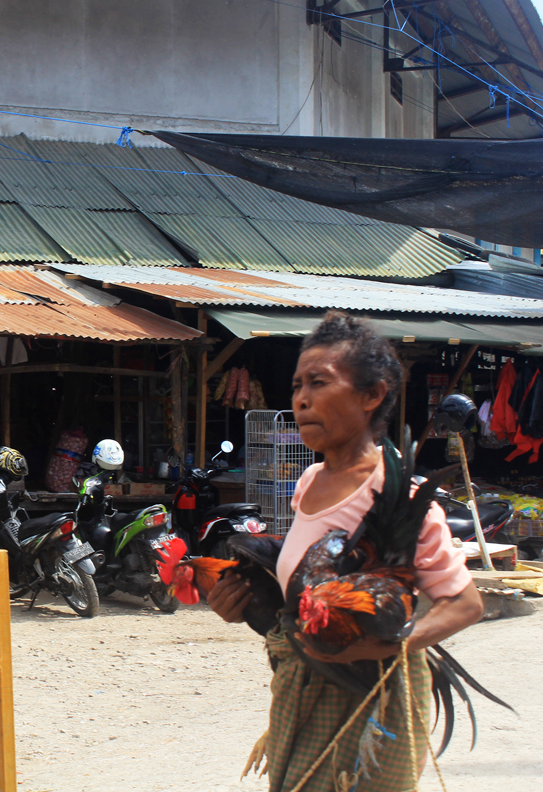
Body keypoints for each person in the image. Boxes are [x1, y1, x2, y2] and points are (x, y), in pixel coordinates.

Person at [207, 312, 483, 792]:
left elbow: (465, 603)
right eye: (296, 385)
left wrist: (387, 644)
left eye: (319, 382)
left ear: (371, 395)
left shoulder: (400, 497)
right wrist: (244, 605)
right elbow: (303, 585)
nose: (302, 399)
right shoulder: (310, 481)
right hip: (305, 683)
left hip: (373, 696)